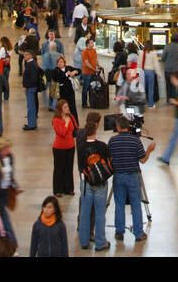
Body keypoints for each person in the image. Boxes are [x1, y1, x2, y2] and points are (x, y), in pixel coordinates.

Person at [108, 114, 153, 243]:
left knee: (119, 204)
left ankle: (119, 232)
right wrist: (149, 150)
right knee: (135, 205)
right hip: (133, 176)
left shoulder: (112, 141)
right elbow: (143, 160)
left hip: (118, 176)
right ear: (128, 126)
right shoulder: (135, 141)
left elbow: (109, 158)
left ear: (117, 127)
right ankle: (138, 233)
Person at [77, 112, 112, 251]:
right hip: (100, 185)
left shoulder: (81, 147)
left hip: (86, 184)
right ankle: (100, 242)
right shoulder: (102, 146)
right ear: (95, 130)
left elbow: (81, 166)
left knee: (85, 213)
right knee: (99, 214)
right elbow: (109, 164)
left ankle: (84, 241)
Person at [51, 99, 78, 196]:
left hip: (70, 146)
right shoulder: (56, 120)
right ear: (60, 109)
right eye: (65, 107)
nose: (67, 109)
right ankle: (58, 189)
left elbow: (75, 128)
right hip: (59, 148)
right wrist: (66, 123)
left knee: (69, 168)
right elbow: (62, 133)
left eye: (67, 106)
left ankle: (69, 188)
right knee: (59, 169)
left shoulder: (71, 117)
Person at [21, 49, 44, 131]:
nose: (24, 56)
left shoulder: (31, 65)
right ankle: (32, 122)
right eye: (24, 54)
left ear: (31, 56)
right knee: (31, 106)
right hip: (31, 87)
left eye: (26, 54)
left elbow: (32, 78)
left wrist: (26, 86)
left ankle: (31, 124)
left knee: (31, 107)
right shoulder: (31, 64)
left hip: (31, 88)